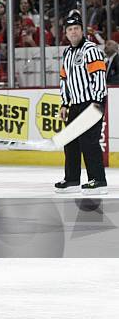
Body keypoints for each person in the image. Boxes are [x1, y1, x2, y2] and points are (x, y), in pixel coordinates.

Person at [55, 12, 108, 195]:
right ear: (66, 33)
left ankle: (98, 180)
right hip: (75, 104)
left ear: (81, 30)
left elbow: (99, 77)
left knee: (89, 142)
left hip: (92, 102)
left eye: (76, 28)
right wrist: (64, 103)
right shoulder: (67, 53)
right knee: (70, 142)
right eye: (70, 29)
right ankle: (72, 179)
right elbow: (64, 79)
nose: (73, 32)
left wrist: (96, 103)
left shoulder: (91, 49)